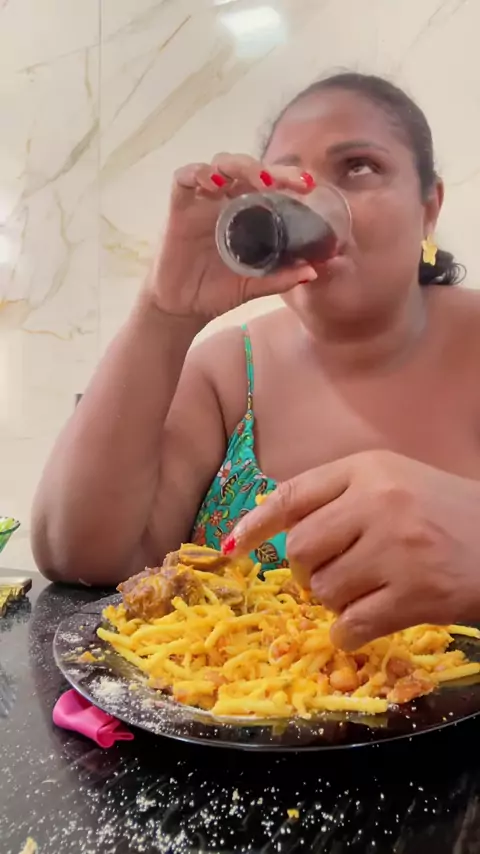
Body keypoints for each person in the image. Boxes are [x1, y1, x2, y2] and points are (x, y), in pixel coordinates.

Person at [32, 73, 480, 650]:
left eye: (359, 167)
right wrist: (164, 311)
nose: (317, 201)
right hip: (227, 705)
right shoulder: (226, 373)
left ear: (429, 207)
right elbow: (77, 554)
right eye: (289, 183)